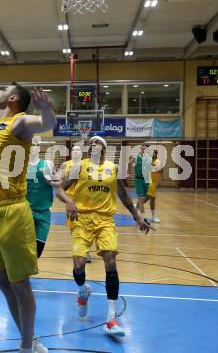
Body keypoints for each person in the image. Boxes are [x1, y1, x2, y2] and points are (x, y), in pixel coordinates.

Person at [0, 82, 56, 352]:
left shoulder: (19, 122)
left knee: (19, 283)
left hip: (11, 211)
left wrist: (47, 111)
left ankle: (25, 347)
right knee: (1, 281)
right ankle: (30, 340)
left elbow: (44, 123)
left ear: (11, 98)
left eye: (2, 90)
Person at [56, 136, 152, 337]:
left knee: (110, 262)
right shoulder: (79, 167)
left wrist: (138, 217)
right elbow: (59, 190)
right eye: (91, 143)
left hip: (106, 220)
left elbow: (124, 196)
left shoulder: (113, 168)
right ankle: (83, 291)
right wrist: (69, 202)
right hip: (82, 219)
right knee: (78, 266)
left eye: (97, 142)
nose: (93, 145)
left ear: (105, 149)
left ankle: (110, 319)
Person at [26, 142, 61, 257]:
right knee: (24, 249)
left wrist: (51, 181)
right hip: (25, 212)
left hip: (43, 213)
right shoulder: (21, 165)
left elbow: (59, 182)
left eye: (35, 144)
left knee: (37, 252)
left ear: (39, 148)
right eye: (30, 144)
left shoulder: (48, 164)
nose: (32, 147)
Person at [128, 144, 152, 219]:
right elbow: (129, 163)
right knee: (141, 200)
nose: (144, 150)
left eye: (145, 149)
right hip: (139, 180)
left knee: (146, 197)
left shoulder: (149, 158)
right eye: (142, 149)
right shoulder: (136, 157)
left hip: (147, 180)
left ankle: (137, 206)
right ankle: (142, 219)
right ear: (140, 149)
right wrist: (129, 172)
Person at [143, 150, 162, 223]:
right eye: (152, 153)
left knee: (151, 198)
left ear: (156, 154)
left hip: (154, 182)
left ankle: (138, 206)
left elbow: (154, 170)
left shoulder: (158, 161)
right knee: (150, 197)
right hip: (149, 181)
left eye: (155, 153)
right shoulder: (149, 160)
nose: (153, 154)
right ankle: (138, 206)